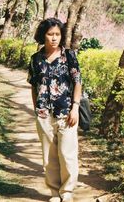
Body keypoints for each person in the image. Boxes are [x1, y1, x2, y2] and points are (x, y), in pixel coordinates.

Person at [27, 18, 82, 202]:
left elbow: (77, 82)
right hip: (44, 114)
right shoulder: (35, 59)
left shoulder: (69, 56)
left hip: (67, 113)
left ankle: (67, 192)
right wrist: (37, 110)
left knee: (67, 154)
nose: (54, 38)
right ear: (43, 35)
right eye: (50, 34)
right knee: (49, 157)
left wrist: (75, 107)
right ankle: (54, 192)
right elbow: (33, 86)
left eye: (57, 34)